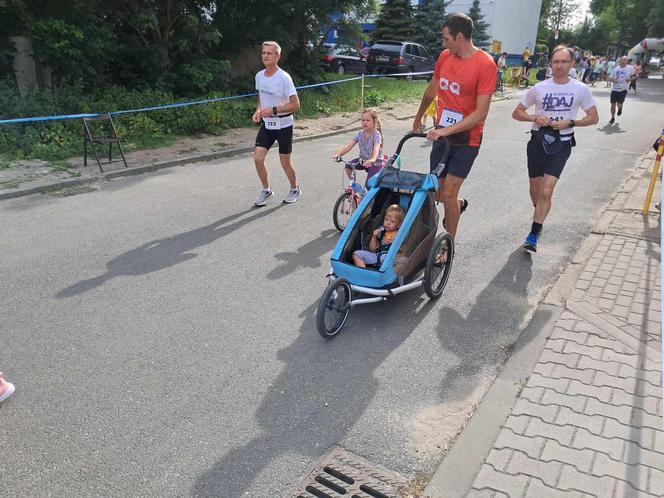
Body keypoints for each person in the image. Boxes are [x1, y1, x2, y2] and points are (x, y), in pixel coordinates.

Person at [411, 13, 497, 240]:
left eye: (446, 38)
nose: (443, 43)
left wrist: (444, 131)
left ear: (460, 37)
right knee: (438, 192)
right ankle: (457, 204)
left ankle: (448, 244)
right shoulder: (444, 57)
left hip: (467, 138)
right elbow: (433, 88)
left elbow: (480, 113)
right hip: (443, 134)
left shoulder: (485, 64)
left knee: (448, 193)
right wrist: (418, 117)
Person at [512, 45, 599, 253]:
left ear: (572, 64)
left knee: (546, 190)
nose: (559, 66)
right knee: (535, 190)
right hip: (537, 141)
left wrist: (571, 123)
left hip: (562, 144)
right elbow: (517, 113)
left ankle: (534, 233)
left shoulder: (580, 89)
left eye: (564, 62)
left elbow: (593, 118)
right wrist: (535, 117)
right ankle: (540, 212)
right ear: (550, 64)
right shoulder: (539, 88)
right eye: (556, 62)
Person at [252, 41, 302, 206]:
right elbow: (261, 96)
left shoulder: (284, 78)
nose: (265, 56)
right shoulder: (259, 76)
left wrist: (274, 109)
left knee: (284, 162)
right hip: (267, 124)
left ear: (278, 56)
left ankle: (295, 188)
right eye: (263, 53)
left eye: (269, 53)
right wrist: (258, 110)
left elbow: (295, 105)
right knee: (258, 158)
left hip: (284, 124)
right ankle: (266, 190)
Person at [331, 108, 387, 187]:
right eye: (363, 120)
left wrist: (373, 159)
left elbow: (376, 148)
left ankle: (372, 199)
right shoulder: (360, 133)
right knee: (348, 166)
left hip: (375, 163)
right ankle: (354, 186)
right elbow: (348, 146)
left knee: (369, 184)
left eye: (368, 120)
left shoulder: (376, 134)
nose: (365, 122)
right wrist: (338, 154)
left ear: (374, 121)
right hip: (363, 161)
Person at [608, 56, 636, 124]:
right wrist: (613, 80)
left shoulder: (630, 68)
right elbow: (610, 78)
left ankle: (620, 108)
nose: (623, 61)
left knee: (619, 103)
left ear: (627, 61)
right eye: (622, 60)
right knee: (613, 104)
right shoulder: (615, 69)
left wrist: (630, 79)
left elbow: (635, 76)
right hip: (615, 89)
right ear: (619, 61)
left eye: (624, 60)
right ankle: (612, 117)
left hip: (623, 89)